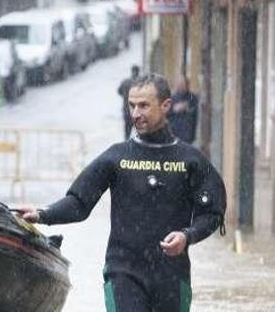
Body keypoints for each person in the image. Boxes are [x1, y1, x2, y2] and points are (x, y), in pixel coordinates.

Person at [15, 74, 226, 312]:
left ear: (166, 106)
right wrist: (43, 214)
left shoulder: (191, 160)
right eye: (132, 105)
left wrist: (188, 236)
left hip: (172, 276)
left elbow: (213, 213)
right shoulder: (117, 157)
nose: (136, 113)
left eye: (144, 105)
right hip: (123, 272)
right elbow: (79, 203)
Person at [168, 75, 199, 144]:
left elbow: (194, 110)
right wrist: (174, 109)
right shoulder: (171, 98)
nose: (181, 86)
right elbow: (166, 114)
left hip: (187, 134)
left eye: (183, 84)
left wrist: (186, 106)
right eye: (179, 84)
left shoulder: (192, 97)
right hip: (174, 133)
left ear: (187, 85)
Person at [117, 65, 141, 139]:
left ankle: (126, 147)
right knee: (140, 133)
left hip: (127, 110)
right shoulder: (142, 82)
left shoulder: (125, 82)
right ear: (138, 72)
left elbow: (119, 91)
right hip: (138, 112)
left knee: (127, 133)